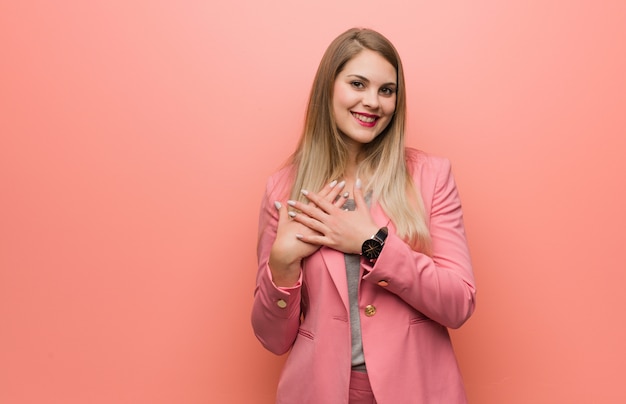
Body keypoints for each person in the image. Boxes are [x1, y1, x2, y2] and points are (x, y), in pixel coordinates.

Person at [251, 27, 476, 404]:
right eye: (358, 84)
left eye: (386, 90)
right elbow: (273, 340)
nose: (373, 101)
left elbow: (459, 304)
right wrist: (282, 266)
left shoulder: (430, 176)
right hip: (319, 391)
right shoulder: (283, 189)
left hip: (417, 388)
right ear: (329, 88)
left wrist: (373, 244)